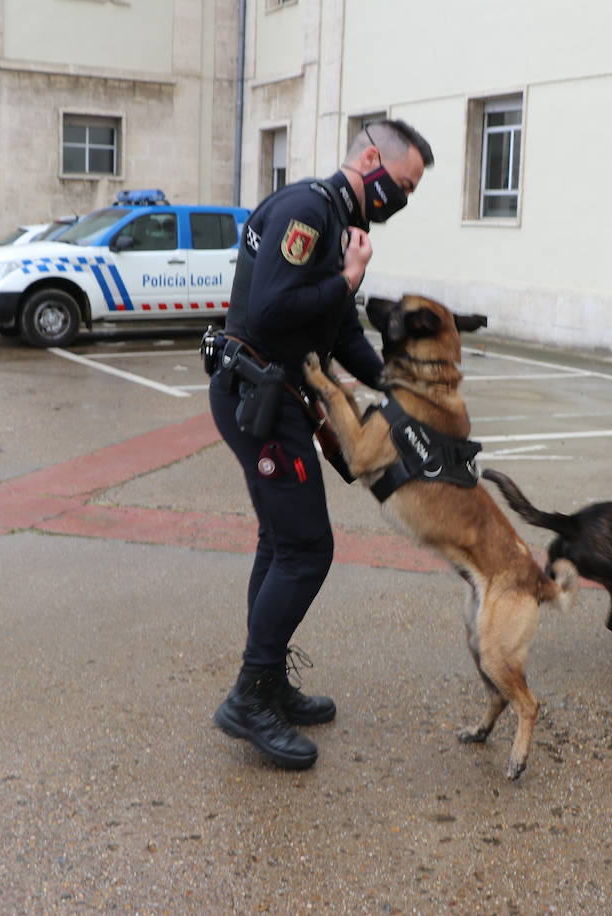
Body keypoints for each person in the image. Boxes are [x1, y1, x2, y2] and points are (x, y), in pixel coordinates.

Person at [208, 120, 434, 769]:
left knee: (282, 543)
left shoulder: (335, 223)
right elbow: (274, 309)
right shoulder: (309, 208)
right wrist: (350, 278)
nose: (404, 199)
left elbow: (339, 333)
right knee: (307, 548)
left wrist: (397, 387)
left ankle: (268, 679)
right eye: (403, 184)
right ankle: (249, 697)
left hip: (273, 396)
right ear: (370, 159)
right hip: (257, 397)